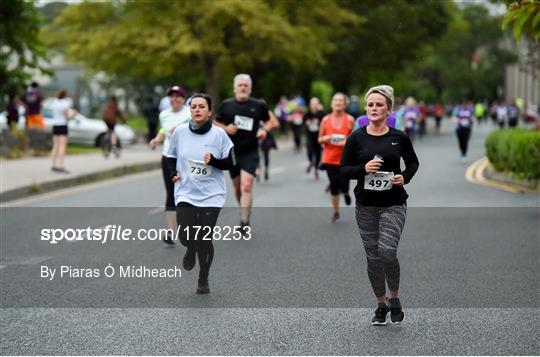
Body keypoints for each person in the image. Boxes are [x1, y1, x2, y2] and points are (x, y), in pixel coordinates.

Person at [340, 85, 419, 325]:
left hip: (393, 202)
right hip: (366, 205)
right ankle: (381, 304)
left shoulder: (399, 137)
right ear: (366, 109)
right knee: (373, 257)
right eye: (370, 105)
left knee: (387, 251)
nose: (374, 108)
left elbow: (413, 164)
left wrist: (404, 177)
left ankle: (394, 297)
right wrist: (362, 169)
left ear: (388, 109)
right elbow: (343, 170)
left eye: (379, 105)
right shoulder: (356, 137)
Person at [165, 93, 235, 294]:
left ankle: (203, 277)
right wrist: (173, 173)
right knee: (187, 237)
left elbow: (230, 162)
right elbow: (170, 156)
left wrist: (213, 160)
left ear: (209, 111)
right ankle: (190, 247)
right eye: (193, 106)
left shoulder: (219, 134)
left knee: (205, 237)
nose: (197, 109)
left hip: (212, 195)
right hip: (186, 192)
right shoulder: (179, 132)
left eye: (201, 106)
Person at [214, 74, 277, 234]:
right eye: (240, 85)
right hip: (231, 151)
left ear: (250, 88)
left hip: (250, 151)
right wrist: (225, 128)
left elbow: (269, 121)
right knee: (237, 188)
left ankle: (244, 220)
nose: (242, 88)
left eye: (245, 86)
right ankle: (244, 208)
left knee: (246, 185)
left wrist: (264, 130)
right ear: (235, 88)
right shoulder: (226, 105)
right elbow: (214, 121)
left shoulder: (258, 105)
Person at [149, 85, 191, 245]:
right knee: (171, 193)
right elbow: (163, 130)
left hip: (186, 158)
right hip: (168, 157)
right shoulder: (164, 114)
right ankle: (170, 230)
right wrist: (155, 140)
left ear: (183, 98)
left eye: (178, 96)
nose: (174, 99)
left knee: (187, 193)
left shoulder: (189, 112)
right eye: (171, 96)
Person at [318, 92, 355, 223]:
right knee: (334, 185)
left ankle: (345, 192)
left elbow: (356, 140)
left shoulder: (350, 120)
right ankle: (336, 211)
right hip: (330, 158)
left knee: (344, 185)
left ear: (345, 104)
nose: (338, 102)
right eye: (335, 100)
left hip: (346, 159)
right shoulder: (325, 120)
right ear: (331, 103)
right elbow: (319, 139)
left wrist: (347, 142)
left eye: (341, 101)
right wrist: (326, 138)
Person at [50, 90, 77, 173]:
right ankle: (61, 166)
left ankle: (54, 165)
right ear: (65, 95)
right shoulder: (65, 103)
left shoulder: (55, 102)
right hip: (62, 125)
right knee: (62, 146)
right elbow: (66, 117)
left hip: (55, 125)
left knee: (55, 146)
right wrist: (73, 114)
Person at [303, 97, 325, 179]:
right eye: (313, 104)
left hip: (319, 136)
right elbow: (304, 120)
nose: (314, 105)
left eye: (316, 104)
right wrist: (307, 122)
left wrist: (321, 111)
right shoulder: (308, 113)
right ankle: (310, 162)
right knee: (309, 150)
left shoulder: (321, 113)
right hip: (309, 135)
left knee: (318, 152)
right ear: (310, 105)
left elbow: (326, 118)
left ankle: (316, 169)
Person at [258, 108, 280, 181]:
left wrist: (269, 126)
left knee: (266, 154)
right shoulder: (253, 111)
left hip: (267, 137)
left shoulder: (269, 113)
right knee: (256, 153)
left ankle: (266, 169)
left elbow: (277, 124)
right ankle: (258, 169)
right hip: (256, 137)